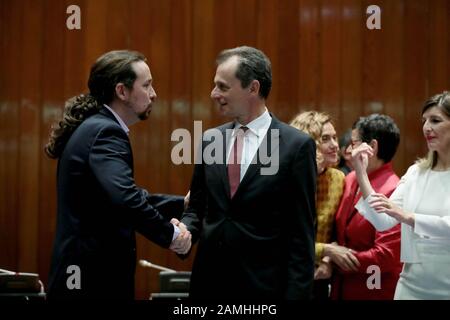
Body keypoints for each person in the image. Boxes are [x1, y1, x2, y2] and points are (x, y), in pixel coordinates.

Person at [45, 50, 191, 299]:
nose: (154, 94)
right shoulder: (106, 132)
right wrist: (172, 236)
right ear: (122, 91)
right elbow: (125, 199)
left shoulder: (95, 127)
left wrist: (181, 204)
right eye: (146, 85)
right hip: (92, 283)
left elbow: (115, 197)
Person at [178, 46, 317, 299]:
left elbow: (301, 235)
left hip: (264, 289)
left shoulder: (296, 146)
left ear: (253, 88)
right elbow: (197, 208)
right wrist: (184, 230)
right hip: (209, 286)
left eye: (223, 87)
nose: (213, 94)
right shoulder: (211, 140)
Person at [353, 92, 450, 299]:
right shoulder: (416, 172)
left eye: (435, 120)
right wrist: (361, 172)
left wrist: (408, 217)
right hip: (410, 286)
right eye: (424, 121)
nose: (427, 128)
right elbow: (382, 220)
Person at [325, 114, 402, 300]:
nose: (349, 150)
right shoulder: (351, 178)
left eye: (354, 143)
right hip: (340, 287)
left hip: (372, 288)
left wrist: (339, 259)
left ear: (372, 147)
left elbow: (386, 256)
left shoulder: (395, 189)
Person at [290, 111, 345, 299]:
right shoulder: (285, 179)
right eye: (325, 139)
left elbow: (341, 231)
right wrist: (327, 250)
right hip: (285, 274)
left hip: (320, 278)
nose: (335, 145)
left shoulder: (338, 178)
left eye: (335, 138)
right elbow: (283, 238)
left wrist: (329, 260)